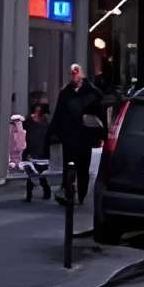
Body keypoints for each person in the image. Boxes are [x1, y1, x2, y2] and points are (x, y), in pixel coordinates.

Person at [51, 62, 104, 200]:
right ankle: (68, 191)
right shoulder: (65, 92)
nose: (74, 75)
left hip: (85, 136)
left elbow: (100, 114)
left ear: (81, 74)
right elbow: (59, 113)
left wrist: (101, 134)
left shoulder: (92, 92)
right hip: (69, 135)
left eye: (76, 72)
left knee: (83, 165)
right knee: (68, 164)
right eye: (72, 73)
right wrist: (55, 133)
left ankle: (81, 193)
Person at [21, 98, 53, 202]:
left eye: (40, 107)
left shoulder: (46, 121)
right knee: (30, 172)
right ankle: (29, 194)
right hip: (30, 148)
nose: (38, 109)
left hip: (42, 149)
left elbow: (50, 136)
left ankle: (46, 190)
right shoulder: (28, 121)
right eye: (37, 106)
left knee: (41, 172)